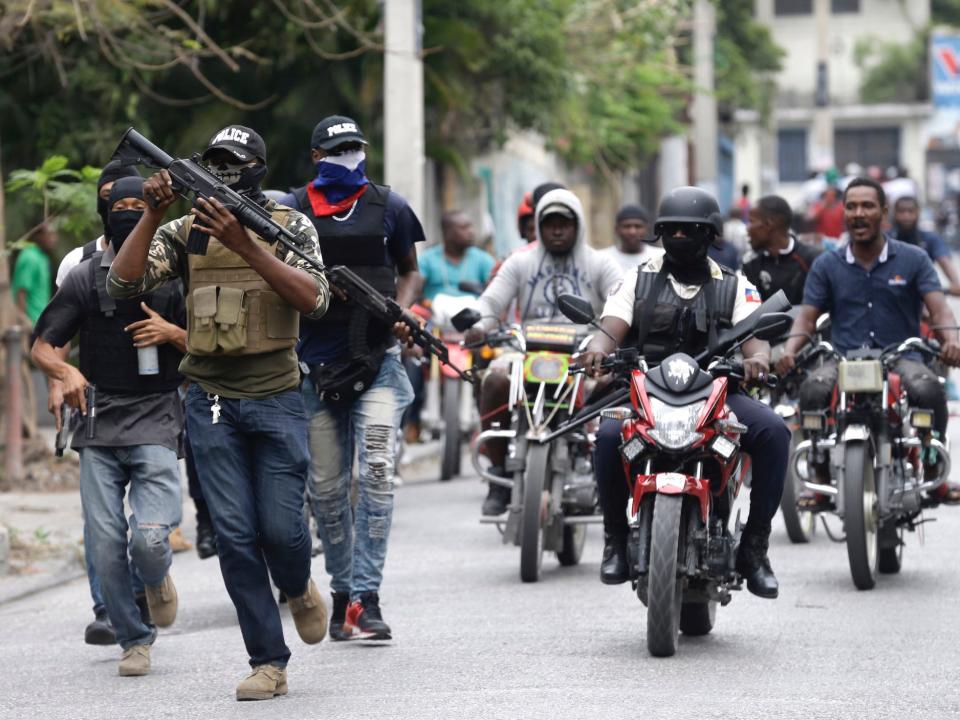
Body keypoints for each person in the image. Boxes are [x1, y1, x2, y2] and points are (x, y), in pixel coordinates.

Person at [108, 125, 331, 701]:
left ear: (257, 166)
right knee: (234, 535)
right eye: (215, 162)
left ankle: (300, 587)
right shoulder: (186, 233)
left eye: (235, 162)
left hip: (278, 396)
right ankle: (268, 662)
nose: (225, 170)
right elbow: (122, 282)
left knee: (283, 533)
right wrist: (153, 214)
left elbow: (315, 300)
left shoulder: (290, 225)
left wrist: (249, 244)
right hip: (209, 399)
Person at [578, 186, 790, 599]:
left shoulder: (736, 285)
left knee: (775, 433)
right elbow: (609, 328)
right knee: (606, 435)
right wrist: (596, 353)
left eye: (690, 230)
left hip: (716, 395)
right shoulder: (636, 280)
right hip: (645, 393)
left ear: (710, 234)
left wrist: (758, 361)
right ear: (659, 235)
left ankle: (755, 549)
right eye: (671, 231)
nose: (679, 238)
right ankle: (615, 540)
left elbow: (757, 342)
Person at [30, 176, 185, 677]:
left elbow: (212, 344)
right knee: (103, 539)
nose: (128, 212)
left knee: (151, 537)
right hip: (97, 420)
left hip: (157, 414)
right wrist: (64, 371)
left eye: (140, 205)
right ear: (105, 215)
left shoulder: (177, 275)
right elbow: (42, 346)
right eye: (119, 206)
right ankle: (133, 638)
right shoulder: (83, 275)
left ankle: (156, 577)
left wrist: (171, 332)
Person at [282, 115, 421, 643]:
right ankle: (342, 593)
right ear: (317, 157)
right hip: (316, 368)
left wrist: (398, 311)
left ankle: (368, 596)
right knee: (326, 491)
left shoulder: (391, 206)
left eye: (355, 149)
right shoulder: (292, 211)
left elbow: (409, 268)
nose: (348, 159)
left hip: (379, 363)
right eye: (337, 151)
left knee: (379, 475)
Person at [778, 178, 960, 504]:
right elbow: (806, 318)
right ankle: (819, 475)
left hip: (902, 357)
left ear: (883, 213)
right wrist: (789, 352)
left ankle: (934, 471)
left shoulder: (914, 259)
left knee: (928, 388)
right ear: (844, 213)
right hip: (844, 357)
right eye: (851, 206)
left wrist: (951, 340)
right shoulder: (826, 264)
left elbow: (940, 310)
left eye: (867, 206)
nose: (858, 213)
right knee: (813, 388)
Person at [465, 188, 622, 515]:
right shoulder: (519, 262)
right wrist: (479, 326)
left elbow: (621, 303)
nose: (557, 229)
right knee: (494, 380)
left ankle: (595, 466)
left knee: (614, 385)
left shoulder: (599, 263)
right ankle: (498, 476)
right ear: (538, 225)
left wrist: (608, 343)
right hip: (526, 351)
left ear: (578, 225)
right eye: (549, 223)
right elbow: (492, 303)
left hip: (583, 353)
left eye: (565, 222)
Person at [743, 195, 822, 304]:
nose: (747, 229)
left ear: (768, 225)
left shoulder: (814, 260)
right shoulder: (750, 264)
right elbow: (750, 307)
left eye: (751, 222)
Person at [419, 210, 495, 302]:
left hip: (474, 314)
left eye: (470, 227)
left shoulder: (483, 259)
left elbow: (494, 290)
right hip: (433, 315)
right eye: (464, 228)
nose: (471, 232)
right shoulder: (427, 259)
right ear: (447, 232)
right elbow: (414, 288)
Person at [892, 196, 960, 297]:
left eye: (911, 211)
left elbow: (946, 265)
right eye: (901, 212)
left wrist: (944, 289)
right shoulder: (886, 239)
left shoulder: (930, 239)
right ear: (894, 213)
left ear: (918, 212)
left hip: (923, 298)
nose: (906, 216)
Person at [12, 221, 56, 325]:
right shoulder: (30, 257)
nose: (54, 239)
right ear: (38, 236)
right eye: (50, 234)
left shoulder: (42, 257)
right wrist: (24, 320)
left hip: (40, 321)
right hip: (31, 324)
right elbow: (21, 291)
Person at [601, 203, 662, 271]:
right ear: (616, 229)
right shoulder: (603, 259)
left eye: (638, 226)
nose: (632, 232)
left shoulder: (660, 257)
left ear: (647, 229)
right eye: (627, 226)